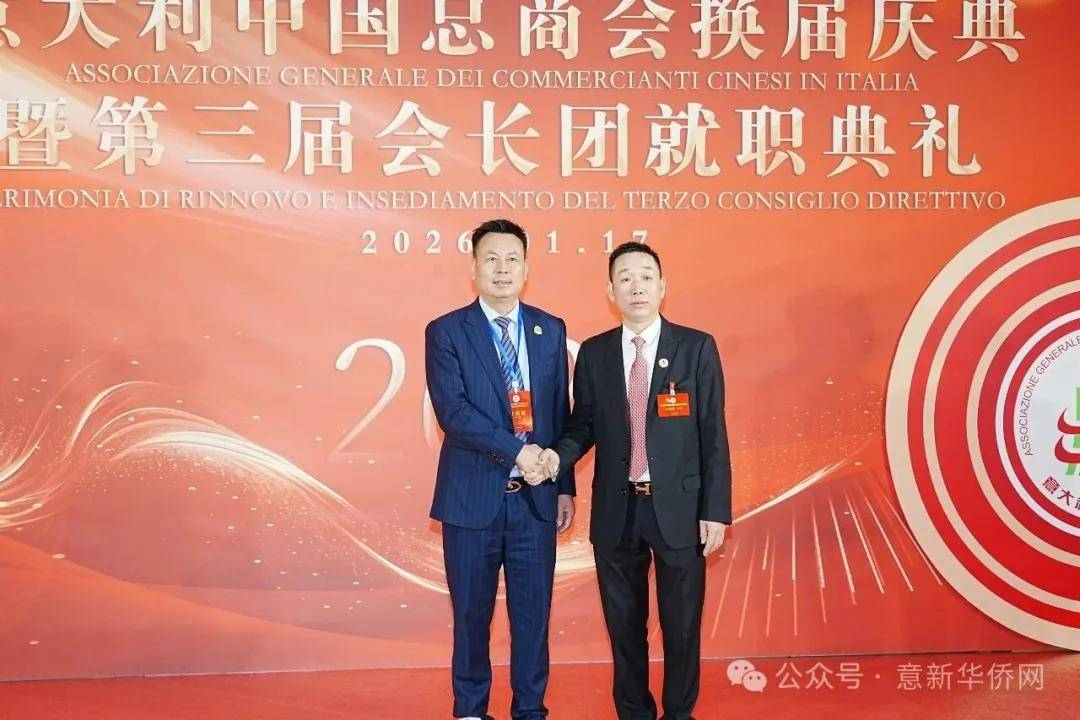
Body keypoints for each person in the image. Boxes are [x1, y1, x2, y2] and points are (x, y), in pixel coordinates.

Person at [535, 241, 731, 720]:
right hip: (617, 511)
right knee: (624, 628)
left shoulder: (696, 347)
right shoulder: (596, 353)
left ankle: (679, 713)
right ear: (611, 291)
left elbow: (713, 434)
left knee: (681, 626)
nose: (636, 286)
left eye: (645, 276)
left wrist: (715, 510)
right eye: (624, 277)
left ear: (662, 286)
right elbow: (583, 425)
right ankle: (633, 713)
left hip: (681, 511)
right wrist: (554, 458)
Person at [426, 218, 576, 720]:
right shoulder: (447, 331)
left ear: (527, 268)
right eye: (491, 258)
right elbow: (454, 412)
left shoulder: (550, 328)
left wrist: (563, 486)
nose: (502, 268)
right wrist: (517, 452)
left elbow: (557, 414)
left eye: (512, 258)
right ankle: (471, 710)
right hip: (472, 501)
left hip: (536, 502)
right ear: (473, 268)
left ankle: (530, 711)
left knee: (533, 618)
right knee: (472, 617)